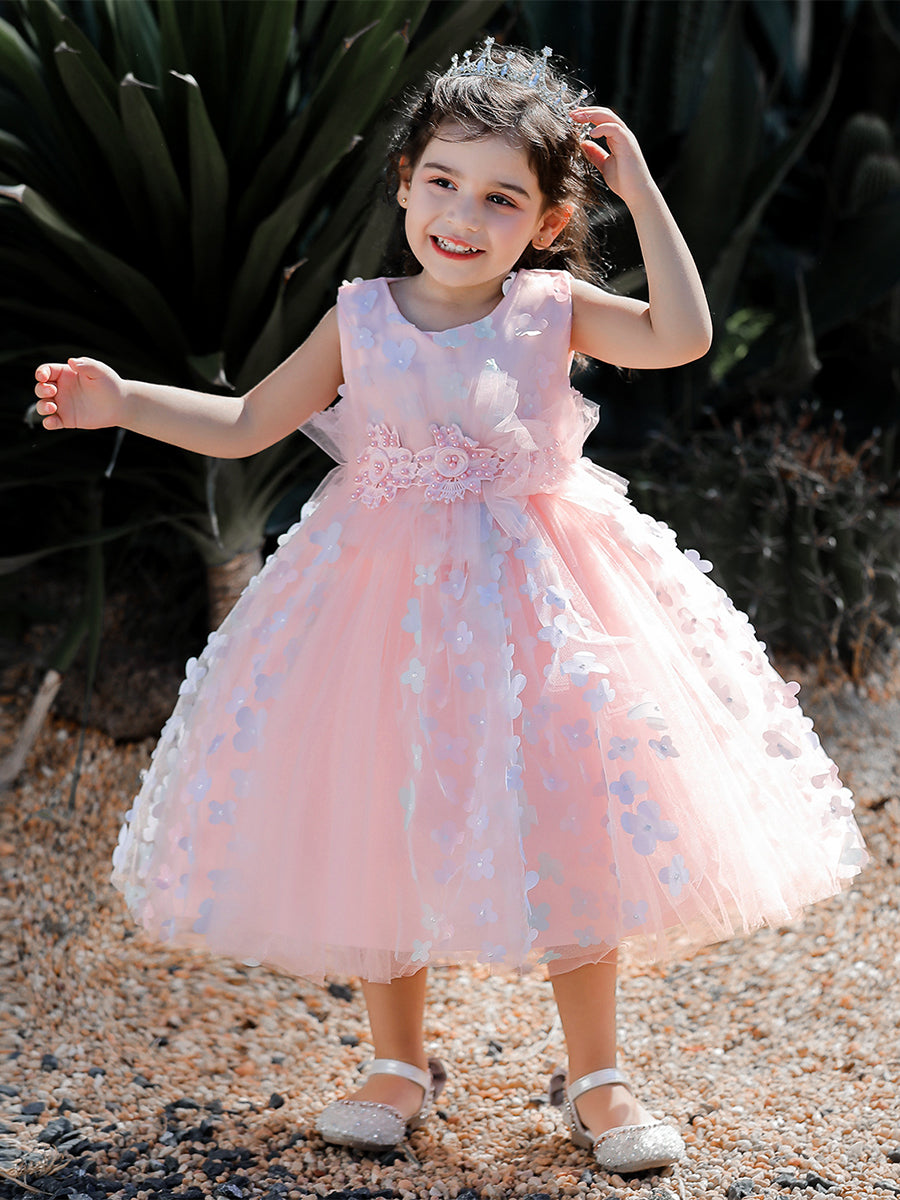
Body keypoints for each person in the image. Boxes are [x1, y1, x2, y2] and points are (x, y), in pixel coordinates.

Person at [33, 41, 867, 1176]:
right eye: (442, 182)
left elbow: (681, 337)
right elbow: (246, 424)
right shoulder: (361, 318)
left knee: (570, 804)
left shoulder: (550, 308)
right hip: (380, 602)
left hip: (544, 596)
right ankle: (397, 1061)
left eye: (500, 198)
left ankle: (598, 1075)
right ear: (403, 184)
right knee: (384, 800)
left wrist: (641, 193)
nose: (462, 216)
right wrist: (121, 400)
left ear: (549, 222)